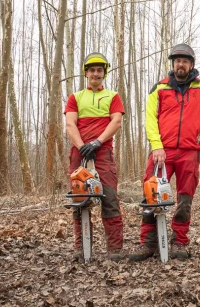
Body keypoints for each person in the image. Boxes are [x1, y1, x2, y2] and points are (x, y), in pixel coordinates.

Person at [128, 43, 200, 261]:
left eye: (185, 61)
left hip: (190, 151)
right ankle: (148, 242)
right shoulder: (159, 88)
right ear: (173, 63)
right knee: (151, 194)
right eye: (177, 60)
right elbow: (150, 119)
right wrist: (156, 145)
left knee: (185, 197)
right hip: (162, 151)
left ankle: (179, 240)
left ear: (191, 64)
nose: (181, 64)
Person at [65, 52, 126, 261]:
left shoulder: (113, 96)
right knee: (79, 198)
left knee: (109, 199)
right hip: (78, 153)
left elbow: (116, 121)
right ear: (86, 73)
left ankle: (115, 249)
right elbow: (70, 124)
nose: (96, 74)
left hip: (104, 153)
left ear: (104, 73)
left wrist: (97, 142)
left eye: (99, 70)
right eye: (92, 70)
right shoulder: (76, 97)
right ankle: (80, 248)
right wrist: (82, 146)